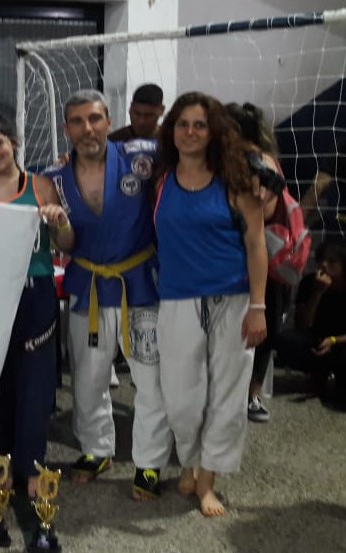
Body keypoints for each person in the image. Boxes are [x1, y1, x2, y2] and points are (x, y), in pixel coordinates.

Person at [43, 89, 173, 501]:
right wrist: (60, 225)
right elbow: (65, 242)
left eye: (95, 119)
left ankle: (149, 461)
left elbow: (196, 154)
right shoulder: (55, 178)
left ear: (109, 121)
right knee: (88, 378)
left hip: (140, 284)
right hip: (90, 285)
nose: (87, 129)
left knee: (150, 379)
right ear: (67, 129)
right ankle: (97, 449)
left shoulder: (143, 157)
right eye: (77, 121)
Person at [154, 91, 267, 517]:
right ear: (172, 130)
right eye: (183, 124)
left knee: (227, 395)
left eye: (199, 125)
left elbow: (256, 245)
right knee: (181, 398)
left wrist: (258, 306)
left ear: (213, 131)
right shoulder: (159, 181)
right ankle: (189, 459)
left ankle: (207, 480)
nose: (190, 132)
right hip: (177, 300)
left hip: (233, 300)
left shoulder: (237, 180)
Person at [0, 113, 71, 498]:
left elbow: (67, 244)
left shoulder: (41, 187)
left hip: (33, 291)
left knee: (36, 383)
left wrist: (59, 222)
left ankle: (33, 466)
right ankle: (4, 461)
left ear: (13, 143)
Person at [225, 101, 287, 423]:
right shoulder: (238, 161)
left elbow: (262, 214)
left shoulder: (259, 164)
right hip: (244, 261)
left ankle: (250, 395)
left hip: (260, 260)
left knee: (258, 332)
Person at [273, 237, 346, 404]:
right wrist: (317, 292)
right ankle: (318, 374)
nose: (324, 265)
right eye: (321, 260)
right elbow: (302, 325)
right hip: (317, 341)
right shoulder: (309, 282)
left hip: (341, 343)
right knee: (285, 340)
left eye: (332, 261)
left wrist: (334, 340)